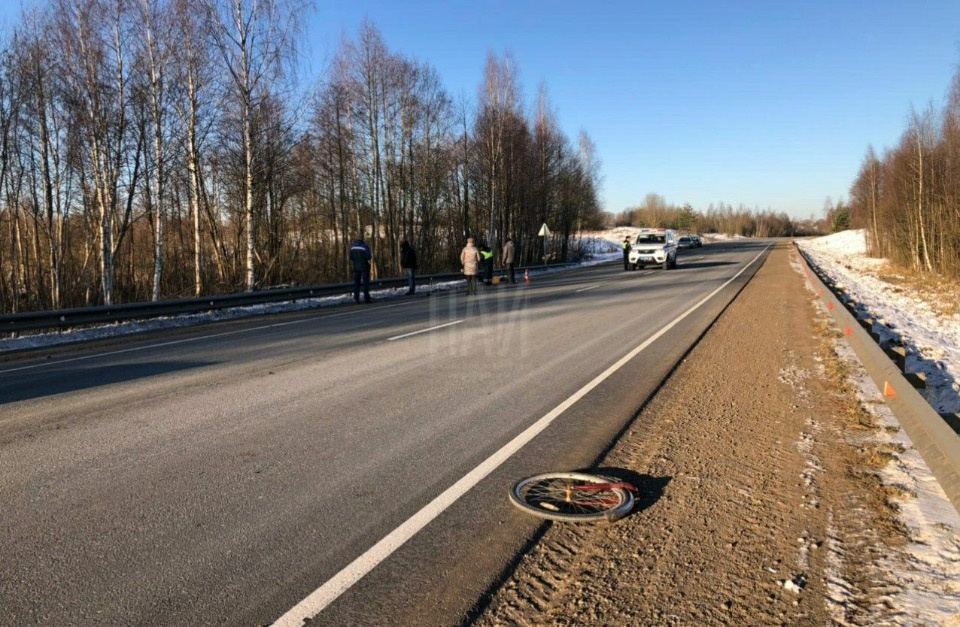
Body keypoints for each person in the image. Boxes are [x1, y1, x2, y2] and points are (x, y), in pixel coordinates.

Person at [350, 232, 373, 303]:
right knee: (365, 283)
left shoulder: (352, 247)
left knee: (357, 283)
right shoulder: (365, 246)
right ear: (362, 239)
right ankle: (366, 298)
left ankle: (356, 298)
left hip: (356, 267)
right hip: (364, 266)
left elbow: (351, 257)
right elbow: (369, 256)